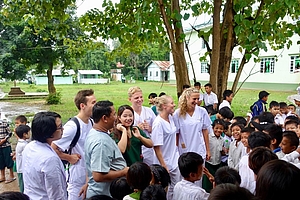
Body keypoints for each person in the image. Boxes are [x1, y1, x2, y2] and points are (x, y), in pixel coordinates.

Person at [51, 89, 96, 200]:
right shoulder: (72, 127)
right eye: (93, 103)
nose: (96, 105)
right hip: (77, 179)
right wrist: (69, 157)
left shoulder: (92, 122)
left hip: (90, 176)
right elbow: (52, 147)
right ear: (82, 105)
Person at [84, 101, 128, 198]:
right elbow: (98, 176)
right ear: (104, 118)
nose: (116, 117)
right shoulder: (101, 142)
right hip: (102, 195)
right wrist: (124, 172)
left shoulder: (95, 132)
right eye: (114, 114)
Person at [22, 111, 67, 199]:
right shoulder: (49, 159)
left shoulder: (29, 147)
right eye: (60, 127)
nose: (63, 129)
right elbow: (56, 194)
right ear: (49, 132)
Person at [151, 95, 180, 199]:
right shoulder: (158, 123)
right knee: (164, 187)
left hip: (174, 158)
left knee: (175, 186)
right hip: (163, 161)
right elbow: (156, 146)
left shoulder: (171, 118)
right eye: (171, 103)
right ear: (164, 106)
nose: (174, 105)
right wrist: (163, 165)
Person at [173, 87, 211, 165]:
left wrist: (208, 150)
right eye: (194, 99)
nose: (196, 101)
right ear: (187, 98)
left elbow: (205, 131)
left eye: (198, 99)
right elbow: (176, 134)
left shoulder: (202, 111)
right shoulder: (178, 114)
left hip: (199, 149)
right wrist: (175, 151)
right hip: (184, 149)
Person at [128, 86, 156, 165]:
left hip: (148, 148)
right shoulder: (128, 113)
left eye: (141, 97)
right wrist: (137, 128)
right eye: (136, 98)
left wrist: (149, 128)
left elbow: (156, 128)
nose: (139, 100)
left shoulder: (149, 111)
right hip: (135, 148)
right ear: (130, 99)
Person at [202, 119, 225, 192]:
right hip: (209, 163)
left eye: (221, 129)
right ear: (212, 128)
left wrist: (224, 152)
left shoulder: (222, 139)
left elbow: (220, 150)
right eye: (217, 128)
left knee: (216, 180)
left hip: (218, 163)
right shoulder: (208, 137)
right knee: (207, 182)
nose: (218, 130)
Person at [15, 125, 30, 193]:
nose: (30, 134)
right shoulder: (24, 145)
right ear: (24, 134)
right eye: (29, 132)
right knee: (23, 187)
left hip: (21, 168)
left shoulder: (21, 143)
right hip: (22, 169)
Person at [0, 116, 15, 184]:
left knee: (9, 160)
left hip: (6, 145)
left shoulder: (4, 124)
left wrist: (4, 139)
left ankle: (11, 175)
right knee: (1, 161)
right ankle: (2, 176)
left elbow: (10, 133)